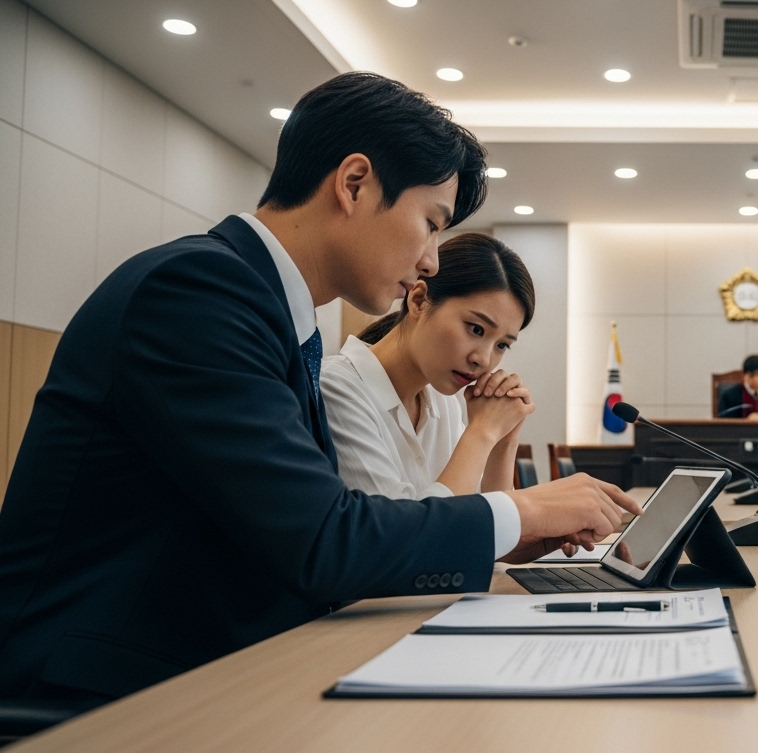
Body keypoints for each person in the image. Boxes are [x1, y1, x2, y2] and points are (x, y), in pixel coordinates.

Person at [0, 72, 641, 712]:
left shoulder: (271, 311)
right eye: (430, 223)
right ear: (354, 183)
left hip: (205, 671)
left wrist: (515, 531)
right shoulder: (197, 291)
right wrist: (524, 514)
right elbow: (323, 541)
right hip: (93, 697)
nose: (432, 262)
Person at [321, 233, 538, 504]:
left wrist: (503, 441)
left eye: (502, 345)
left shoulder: (442, 403)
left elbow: (491, 531)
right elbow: (402, 537)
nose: (483, 359)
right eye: (476, 329)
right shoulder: (336, 388)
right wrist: (483, 432)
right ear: (419, 300)